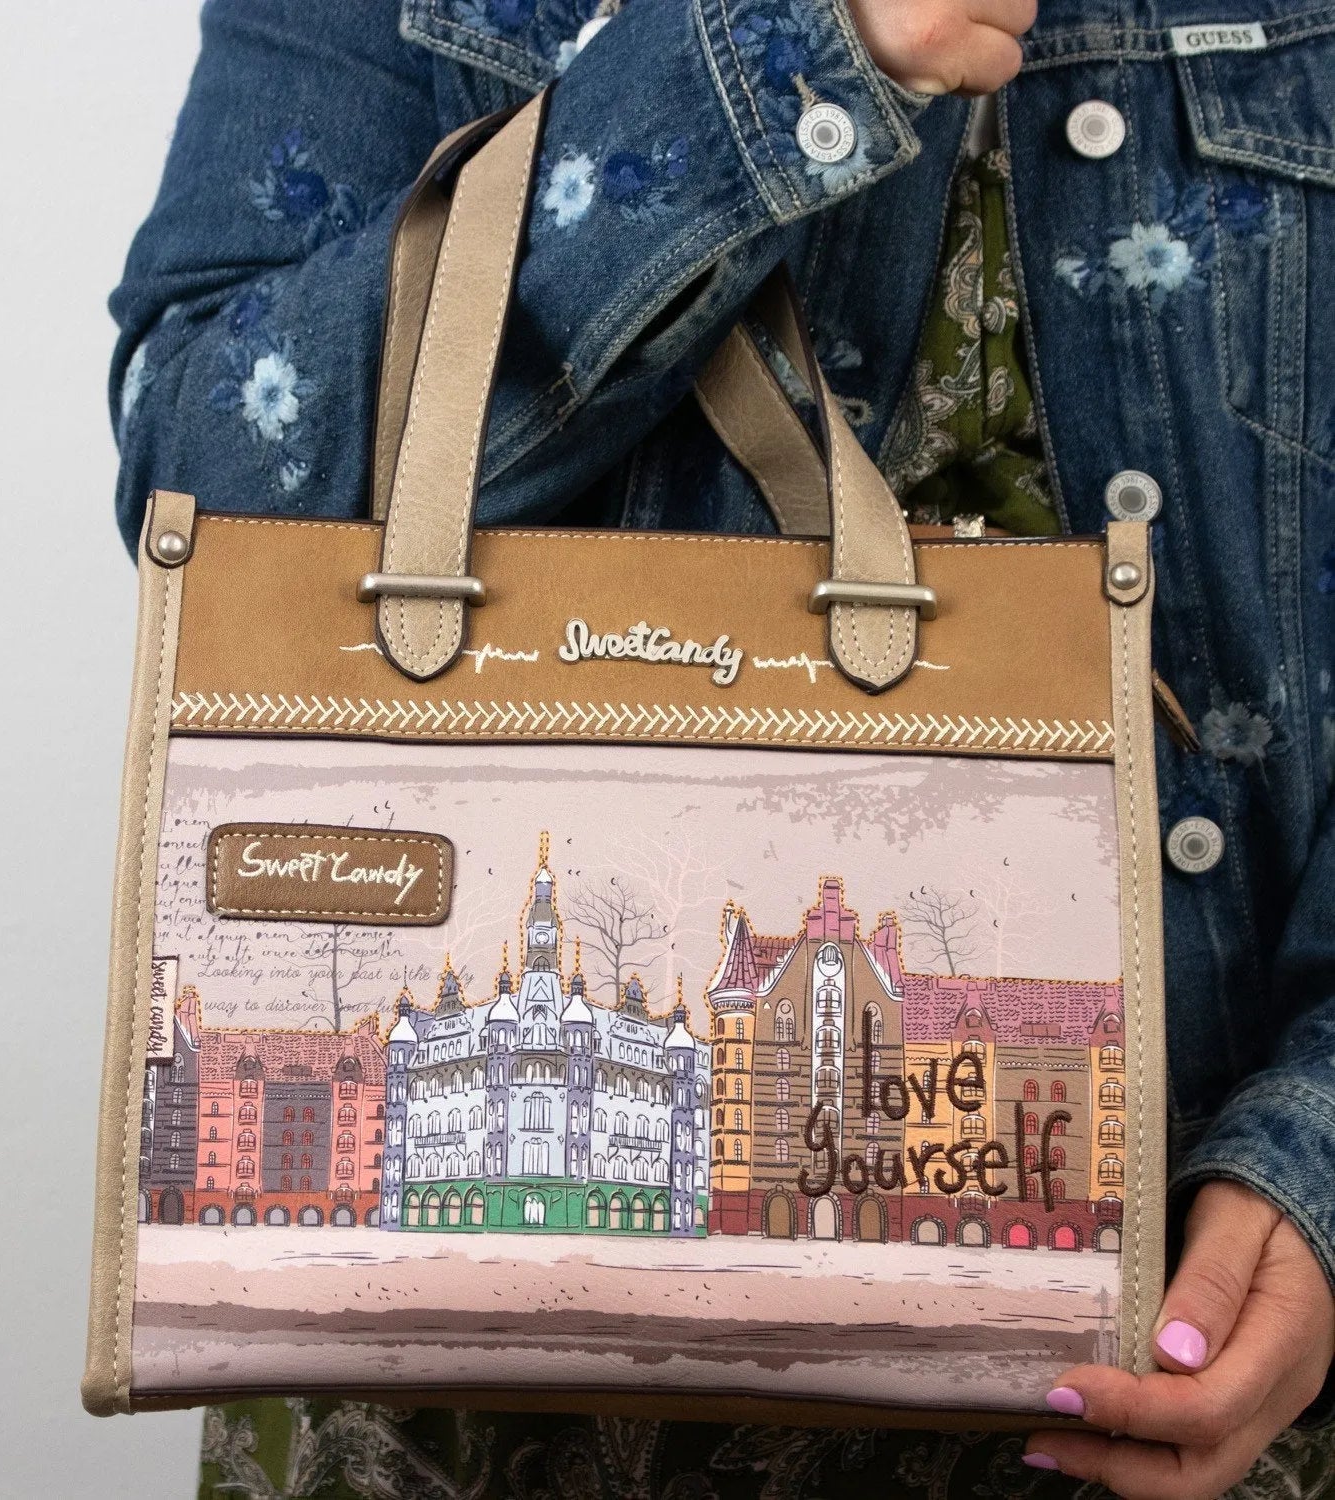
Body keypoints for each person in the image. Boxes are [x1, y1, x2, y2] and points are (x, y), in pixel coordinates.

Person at [109, 1, 1335, 1494]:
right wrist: (779, 47)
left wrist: (1318, 1159)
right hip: (457, 1417)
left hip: (1196, 1314)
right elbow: (206, 492)